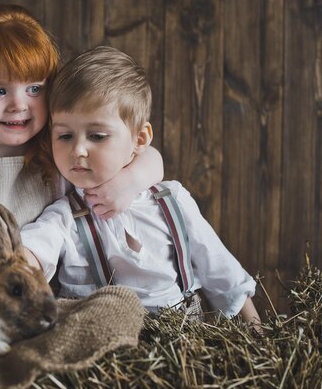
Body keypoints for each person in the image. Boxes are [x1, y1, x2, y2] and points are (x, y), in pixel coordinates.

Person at [0, 5, 164, 319]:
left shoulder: (61, 156)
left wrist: (128, 182)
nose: (18, 105)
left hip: (47, 307)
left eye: (34, 88)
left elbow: (149, 156)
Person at [20, 46, 260, 324]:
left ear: (140, 139)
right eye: (65, 136)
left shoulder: (172, 201)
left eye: (97, 136)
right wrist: (17, 263)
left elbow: (221, 270)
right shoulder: (64, 215)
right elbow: (35, 248)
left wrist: (257, 332)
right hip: (100, 345)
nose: (78, 150)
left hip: (183, 342)